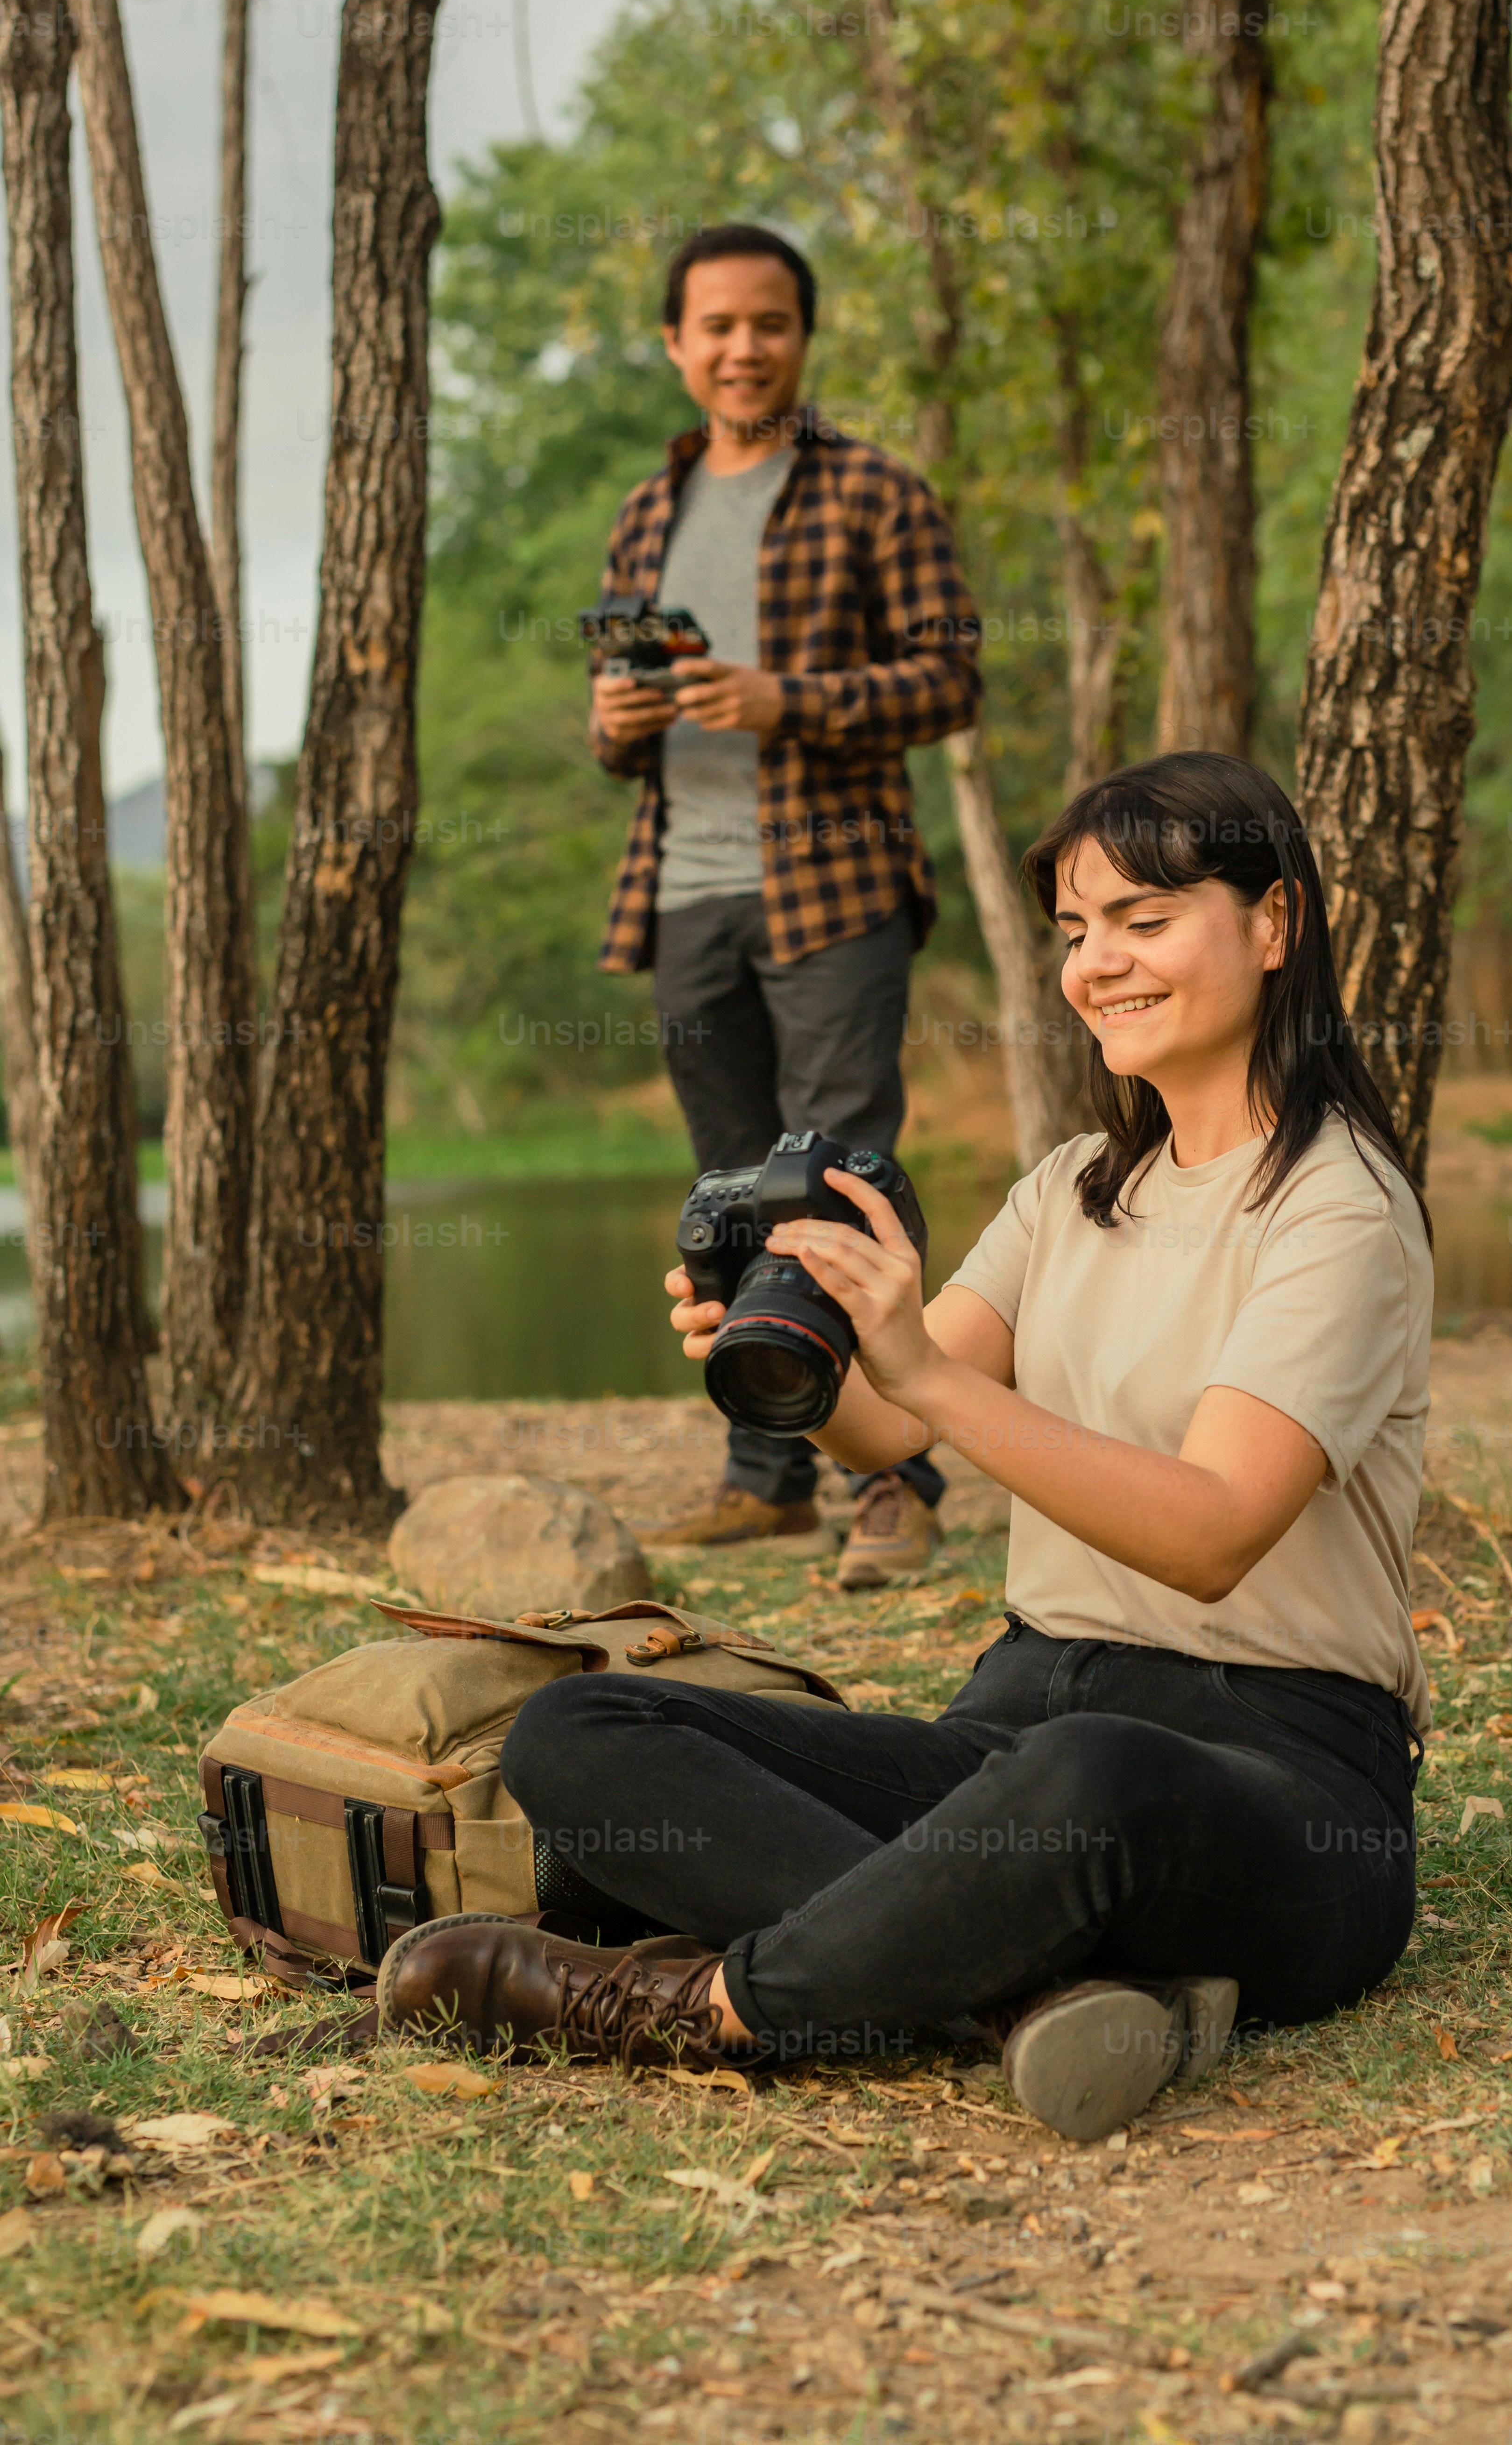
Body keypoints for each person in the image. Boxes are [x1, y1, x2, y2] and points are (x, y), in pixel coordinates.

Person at [380, 752, 1434, 2141]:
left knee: (1090, 1778)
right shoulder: (1074, 1189)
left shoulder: (1337, 1207)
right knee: (583, 1730)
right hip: (1016, 1729)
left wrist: (929, 1372)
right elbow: (890, 1422)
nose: (1100, 964)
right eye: (1077, 930)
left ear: (1275, 923)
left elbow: (1212, 1532)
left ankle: (703, 2010)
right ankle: (1021, 1991)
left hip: (1269, 1776)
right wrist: (794, 1347)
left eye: (1147, 920)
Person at [591, 223, 980, 1589]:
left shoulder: (875, 492)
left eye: (770, 323)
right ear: (675, 345)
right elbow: (616, 724)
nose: (744, 347)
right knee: (727, 1194)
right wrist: (614, 721)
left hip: (836, 887)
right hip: (683, 895)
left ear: (803, 337)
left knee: (840, 1184)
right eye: (717, 325)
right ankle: (766, 1477)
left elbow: (951, 679)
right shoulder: (646, 513)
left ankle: (897, 1483)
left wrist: (786, 700)